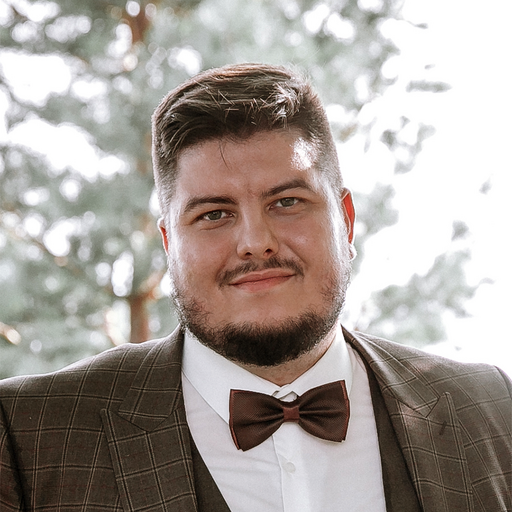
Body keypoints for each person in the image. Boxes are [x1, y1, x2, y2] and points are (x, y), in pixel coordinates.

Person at [0, 63, 510, 512]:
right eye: (214, 214)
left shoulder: (493, 409)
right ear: (169, 243)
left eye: (286, 202)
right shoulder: (27, 435)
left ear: (346, 221)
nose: (255, 243)